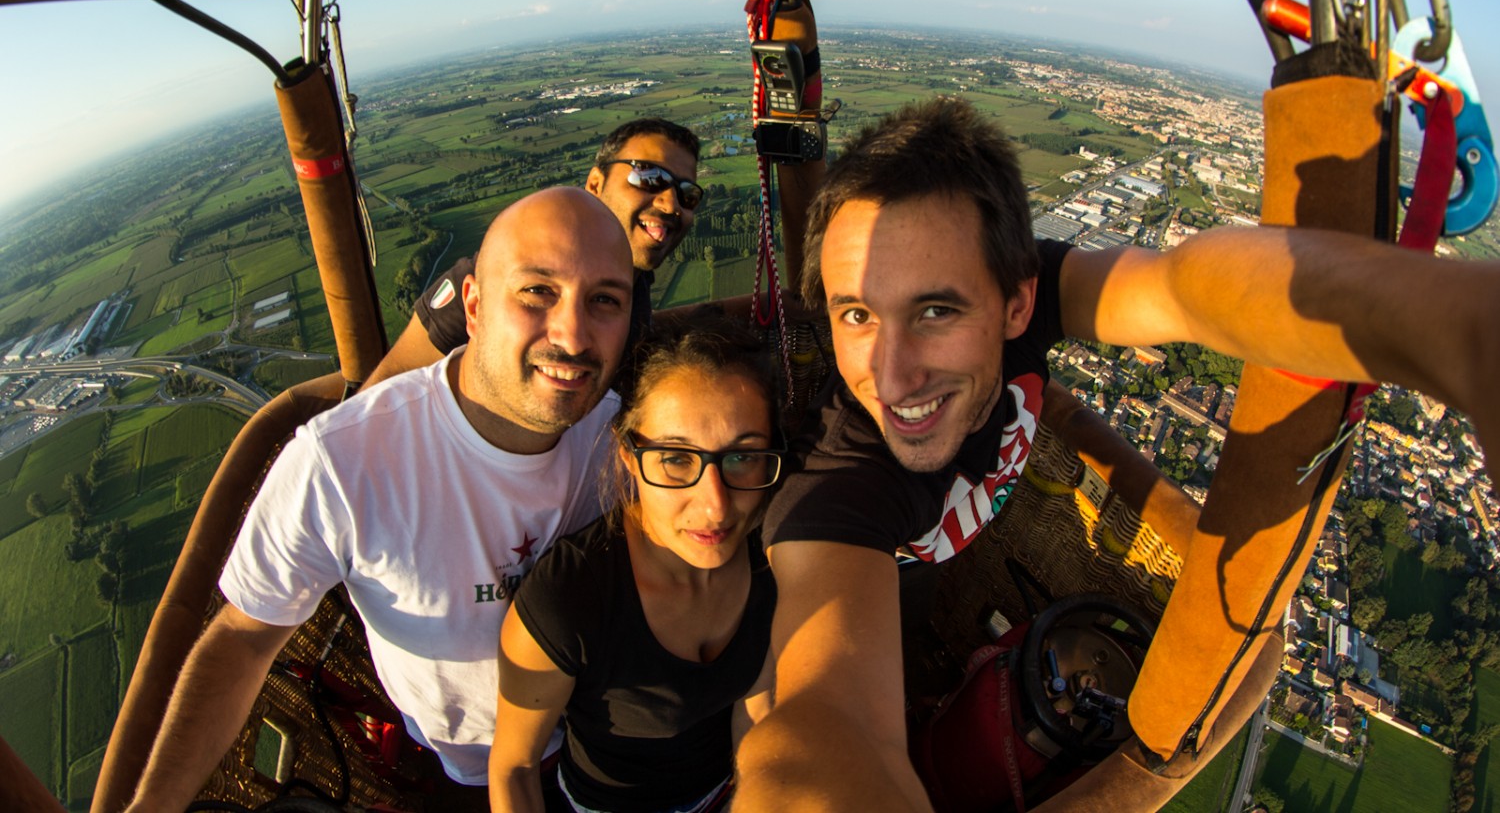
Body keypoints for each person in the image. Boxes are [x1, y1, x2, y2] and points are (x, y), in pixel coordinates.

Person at [732, 97, 1499, 811]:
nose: (892, 375)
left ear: (1016, 303)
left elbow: (1184, 288)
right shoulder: (836, 489)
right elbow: (822, 727)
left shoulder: (1036, 292)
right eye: (858, 314)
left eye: (936, 310)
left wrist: (1456, 328)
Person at [124, 187, 637, 811]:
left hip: (605, 738)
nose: (573, 333)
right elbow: (242, 640)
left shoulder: (623, 437)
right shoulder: (342, 462)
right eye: (537, 291)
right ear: (472, 305)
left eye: (604, 300)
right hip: (464, 770)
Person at [489, 322, 779, 813]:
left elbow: (758, 715)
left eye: (743, 457)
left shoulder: (774, 555)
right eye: (674, 460)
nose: (716, 506)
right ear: (628, 457)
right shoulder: (571, 599)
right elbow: (514, 769)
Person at [368, 118, 705, 388]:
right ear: (595, 184)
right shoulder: (500, 273)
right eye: (648, 177)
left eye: (687, 193)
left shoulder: (635, 285)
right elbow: (387, 386)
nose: (670, 203)